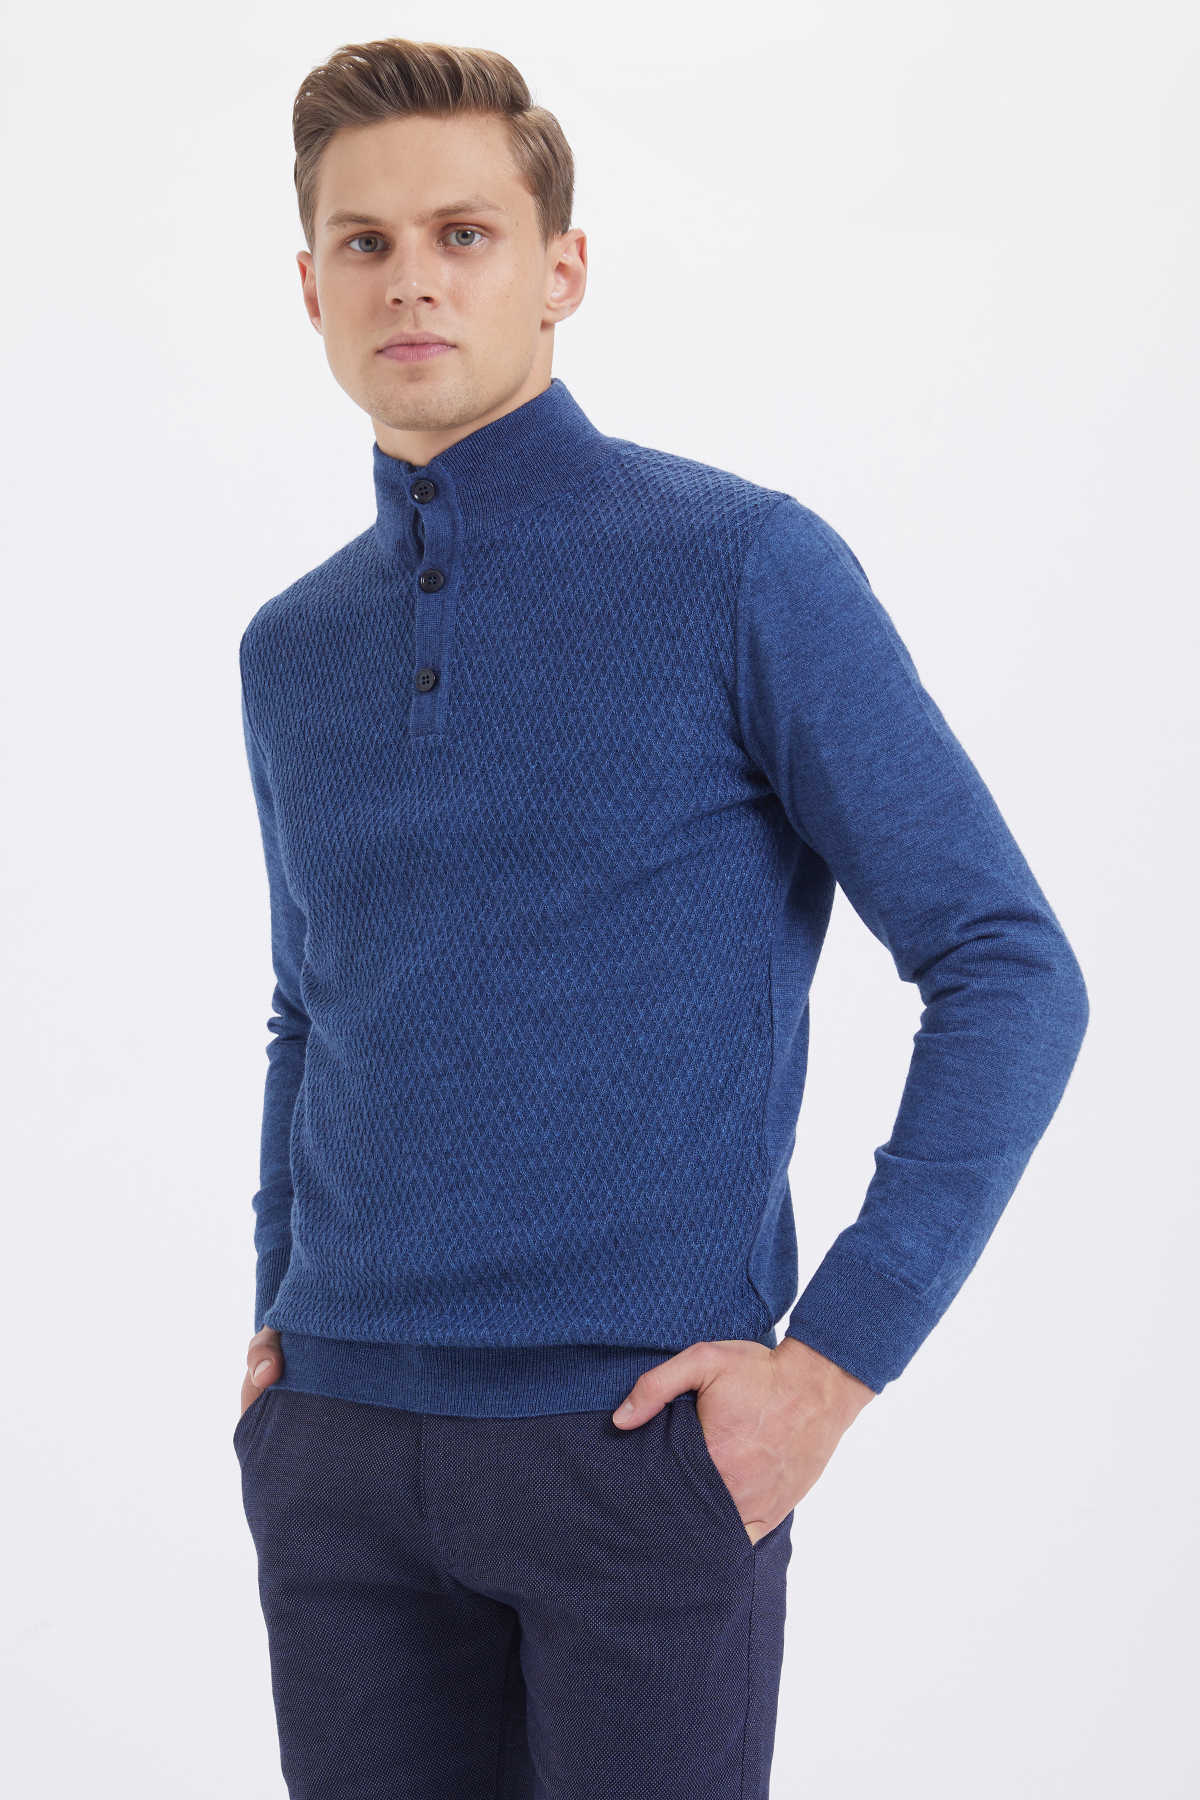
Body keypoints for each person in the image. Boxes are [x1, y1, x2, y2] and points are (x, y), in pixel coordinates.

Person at [232, 35, 1090, 1800]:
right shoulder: (292, 646)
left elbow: (1008, 966)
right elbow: (314, 1002)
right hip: (340, 1453)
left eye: (464, 234)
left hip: (633, 1451)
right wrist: (278, 1328)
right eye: (365, 242)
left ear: (562, 270)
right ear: (310, 286)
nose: (412, 281)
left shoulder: (740, 566)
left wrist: (830, 1369)